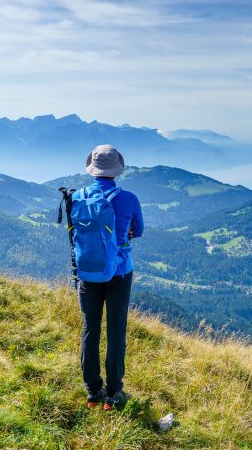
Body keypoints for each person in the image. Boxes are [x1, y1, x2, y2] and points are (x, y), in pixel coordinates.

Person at [76, 144, 144, 411]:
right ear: (117, 169)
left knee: (90, 329)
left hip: (88, 272)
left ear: (92, 167)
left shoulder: (79, 196)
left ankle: (93, 391)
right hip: (119, 272)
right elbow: (138, 230)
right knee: (116, 331)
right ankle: (113, 393)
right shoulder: (128, 198)